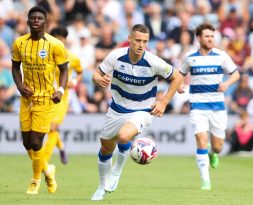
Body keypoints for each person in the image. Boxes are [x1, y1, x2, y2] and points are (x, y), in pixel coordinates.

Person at [90, 24, 182, 201]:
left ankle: (117, 170)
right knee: (105, 148)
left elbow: (177, 77)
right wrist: (99, 81)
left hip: (142, 110)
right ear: (130, 39)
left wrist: (163, 102)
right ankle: (102, 187)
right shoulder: (116, 56)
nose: (141, 45)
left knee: (124, 137)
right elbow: (96, 74)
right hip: (116, 109)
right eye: (138, 40)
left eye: (145, 41)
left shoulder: (153, 61)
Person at [11, 6, 69, 194]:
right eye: (32, 18)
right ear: (28, 22)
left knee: (36, 143)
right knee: (27, 143)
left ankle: (35, 180)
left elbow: (64, 69)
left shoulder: (55, 45)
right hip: (26, 98)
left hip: (46, 98)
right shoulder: (19, 43)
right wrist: (20, 87)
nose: (36, 21)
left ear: (46, 23)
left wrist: (60, 89)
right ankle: (47, 169)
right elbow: (15, 67)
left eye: (39, 18)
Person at [179, 23, 240, 190]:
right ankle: (205, 181)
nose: (210, 39)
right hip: (197, 105)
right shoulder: (189, 56)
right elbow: (180, 74)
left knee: (218, 146)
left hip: (217, 106)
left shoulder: (221, 55)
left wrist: (227, 84)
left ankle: (213, 153)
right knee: (201, 139)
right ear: (199, 38)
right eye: (207, 36)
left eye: (212, 36)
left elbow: (236, 74)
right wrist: (179, 85)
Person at [43, 26, 83, 165]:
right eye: (56, 40)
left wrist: (74, 82)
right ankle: (61, 146)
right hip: (45, 96)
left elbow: (80, 72)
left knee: (52, 128)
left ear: (65, 41)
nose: (59, 43)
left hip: (62, 97)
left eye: (61, 40)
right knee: (47, 127)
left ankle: (44, 162)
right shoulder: (45, 56)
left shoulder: (72, 57)